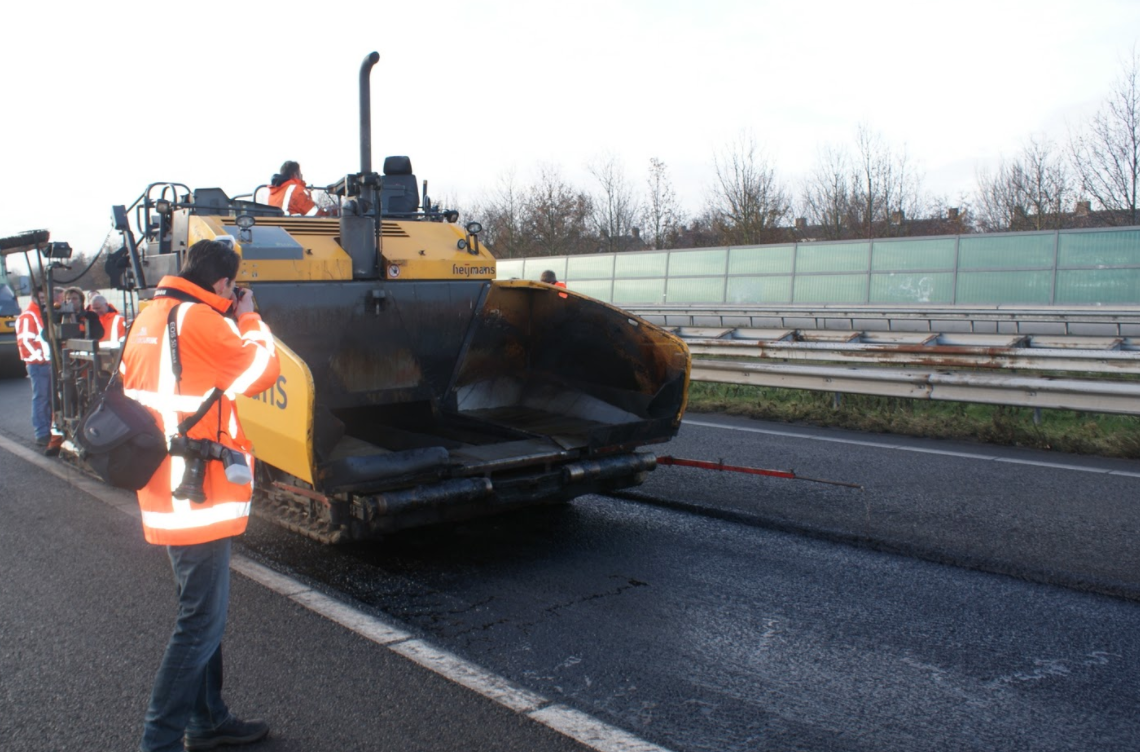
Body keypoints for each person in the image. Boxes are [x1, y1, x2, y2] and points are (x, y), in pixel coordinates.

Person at [122, 238, 281, 752]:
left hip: (165, 487)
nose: (235, 294)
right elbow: (261, 371)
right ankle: (159, 741)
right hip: (200, 494)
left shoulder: (149, 317)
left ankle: (208, 719)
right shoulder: (201, 320)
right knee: (198, 625)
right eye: (233, 287)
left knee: (200, 614)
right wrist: (251, 318)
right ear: (220, 284)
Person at [16, 286, 62, 446]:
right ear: (34, 297)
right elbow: (25, 341)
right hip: (39, 365)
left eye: (45, 298)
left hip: (46, 363)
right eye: (41, 298)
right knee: (41, 399)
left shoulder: (42, 314)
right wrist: (41, 358)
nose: (44, 301)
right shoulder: (29, 316)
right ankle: (42, 433)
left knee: (49, 399)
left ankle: (48, 430)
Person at [266, 161, 332, 217]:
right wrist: (331, 212)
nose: (302, 177)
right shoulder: (296, 190)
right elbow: (316, 215)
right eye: (301, 174)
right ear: (295, 175)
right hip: (294, 229)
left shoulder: (273, 193)